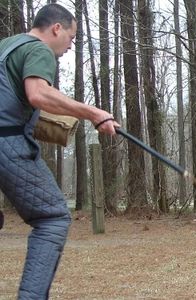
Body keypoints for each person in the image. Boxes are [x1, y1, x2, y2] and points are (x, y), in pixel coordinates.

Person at [0, 4, 119, 298]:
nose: (70, 44)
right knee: (52, 217)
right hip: (7, 145)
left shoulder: (6, 46)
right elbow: (38, 94)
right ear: (56, 28)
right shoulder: (40, 50)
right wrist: (93, 113)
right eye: (72, 36)